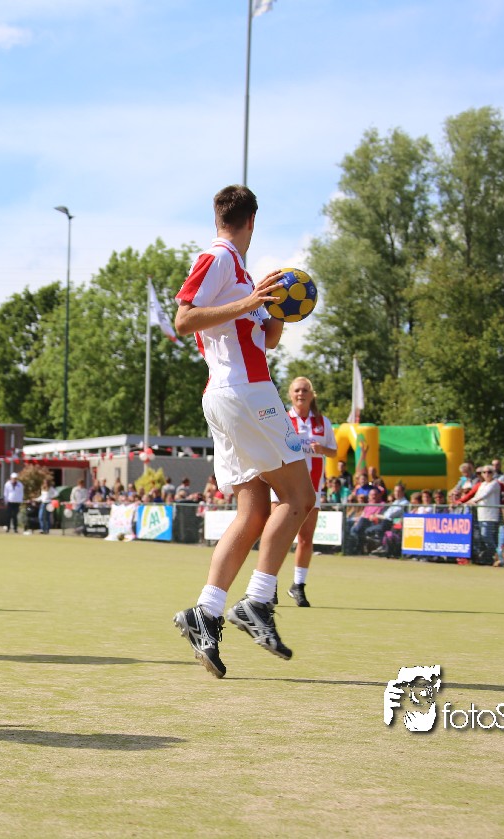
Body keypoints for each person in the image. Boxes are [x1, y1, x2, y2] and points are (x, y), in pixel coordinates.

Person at [170, 184, 314, 678]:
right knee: (300, 497)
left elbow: (263, 340)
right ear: (251, 221)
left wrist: (276, 310)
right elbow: (184, 319)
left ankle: (206, 612)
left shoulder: (242, 274)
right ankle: (258, 600)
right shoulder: (219, 258)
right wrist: (250, 300)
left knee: (253, 512)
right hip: (246, 393)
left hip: (232, 396)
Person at [279, 376, 337, 607]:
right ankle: (268, 584)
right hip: (284, 486)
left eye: (305, 390)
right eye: (297, 390)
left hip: (312, 487)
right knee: (278, 536)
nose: (301, 394)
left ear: (312, 395)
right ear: (290, 395)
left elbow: (333, 452)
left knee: (305, 538)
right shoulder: (283, 419)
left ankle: (298, 585)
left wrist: (322, 449)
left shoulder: (323, 422)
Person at [465, 465, 503, 564]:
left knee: (486, 536)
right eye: (484, 472)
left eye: (489, 472)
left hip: (491, 515)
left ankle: (498, 556)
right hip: (481, 514)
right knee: (483, 537)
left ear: (493, 473)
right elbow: (477, 495)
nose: (487, 474)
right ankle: (491, 558)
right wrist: (469, 501)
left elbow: (484, 495)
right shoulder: (482, 484)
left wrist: (473, 501)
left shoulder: (495, 483)